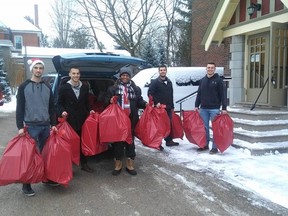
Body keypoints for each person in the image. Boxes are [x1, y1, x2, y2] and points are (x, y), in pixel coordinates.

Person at [16, 58, 58, 197]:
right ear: (32, 69)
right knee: (29, 156)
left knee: (47, 154)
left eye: (41, 68)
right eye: (36, 68)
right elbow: (20, 107)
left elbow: (52, 108)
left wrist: (54, 124)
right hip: (31, 126)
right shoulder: (24, 86)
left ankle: (47, 178)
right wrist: (19, 126)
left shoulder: (47, 87)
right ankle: (26, 184)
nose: (38, 70)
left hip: (45, 126)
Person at [105, 66, 147, 176]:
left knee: (130, 142)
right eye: (123, 75)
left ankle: (130, 164)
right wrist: (110, 100)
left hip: (131, 119)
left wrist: (146, 104)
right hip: (118, 120)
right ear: (120, 76)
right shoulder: (112, 89)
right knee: (118, 142)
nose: (125, 77)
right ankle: (118, 165)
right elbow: (105, 101)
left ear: (130, 77)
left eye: (127, 75)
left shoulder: (136, 89)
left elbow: (139, 101)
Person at [57, 67, 94, 173]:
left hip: (82, 118)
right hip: (70, 120)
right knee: (69, 143)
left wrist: (90, 110)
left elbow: (87, 102)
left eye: (77, 73)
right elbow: (59, 104)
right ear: (70, 74)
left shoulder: (85, 87)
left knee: (82, 141)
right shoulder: (64, 88)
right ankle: (69, 165)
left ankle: (84, 163)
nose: (76, 75)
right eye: (73, 73)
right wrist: (62, 111)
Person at [194, 62, 227, 154]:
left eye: (212, 68)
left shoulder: (219, 81)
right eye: (208, 67)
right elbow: (199, 94)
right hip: (203, 108)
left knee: (215, 128)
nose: (210, 69)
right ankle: (205, 144)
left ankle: (215, 147)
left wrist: (224, 107)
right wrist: (196, 105)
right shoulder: (203, 80)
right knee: (204, 128)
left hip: (214, 109)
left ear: (214, 69)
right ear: (206, 69)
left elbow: (223, 95)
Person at [148, 64, 179, 150]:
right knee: (160, 126)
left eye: (164, 70)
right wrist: (156, 102)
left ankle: (169, 141)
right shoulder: (155, 82)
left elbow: (170, 95)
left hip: (168, 107)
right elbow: (150, 93)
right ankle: (158, 143)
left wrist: (172, 106)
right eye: (161, 70)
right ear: (159, 71)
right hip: (159, 108)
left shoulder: (169, 82)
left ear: (166, 71)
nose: (162, 71)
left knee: (168, 124)